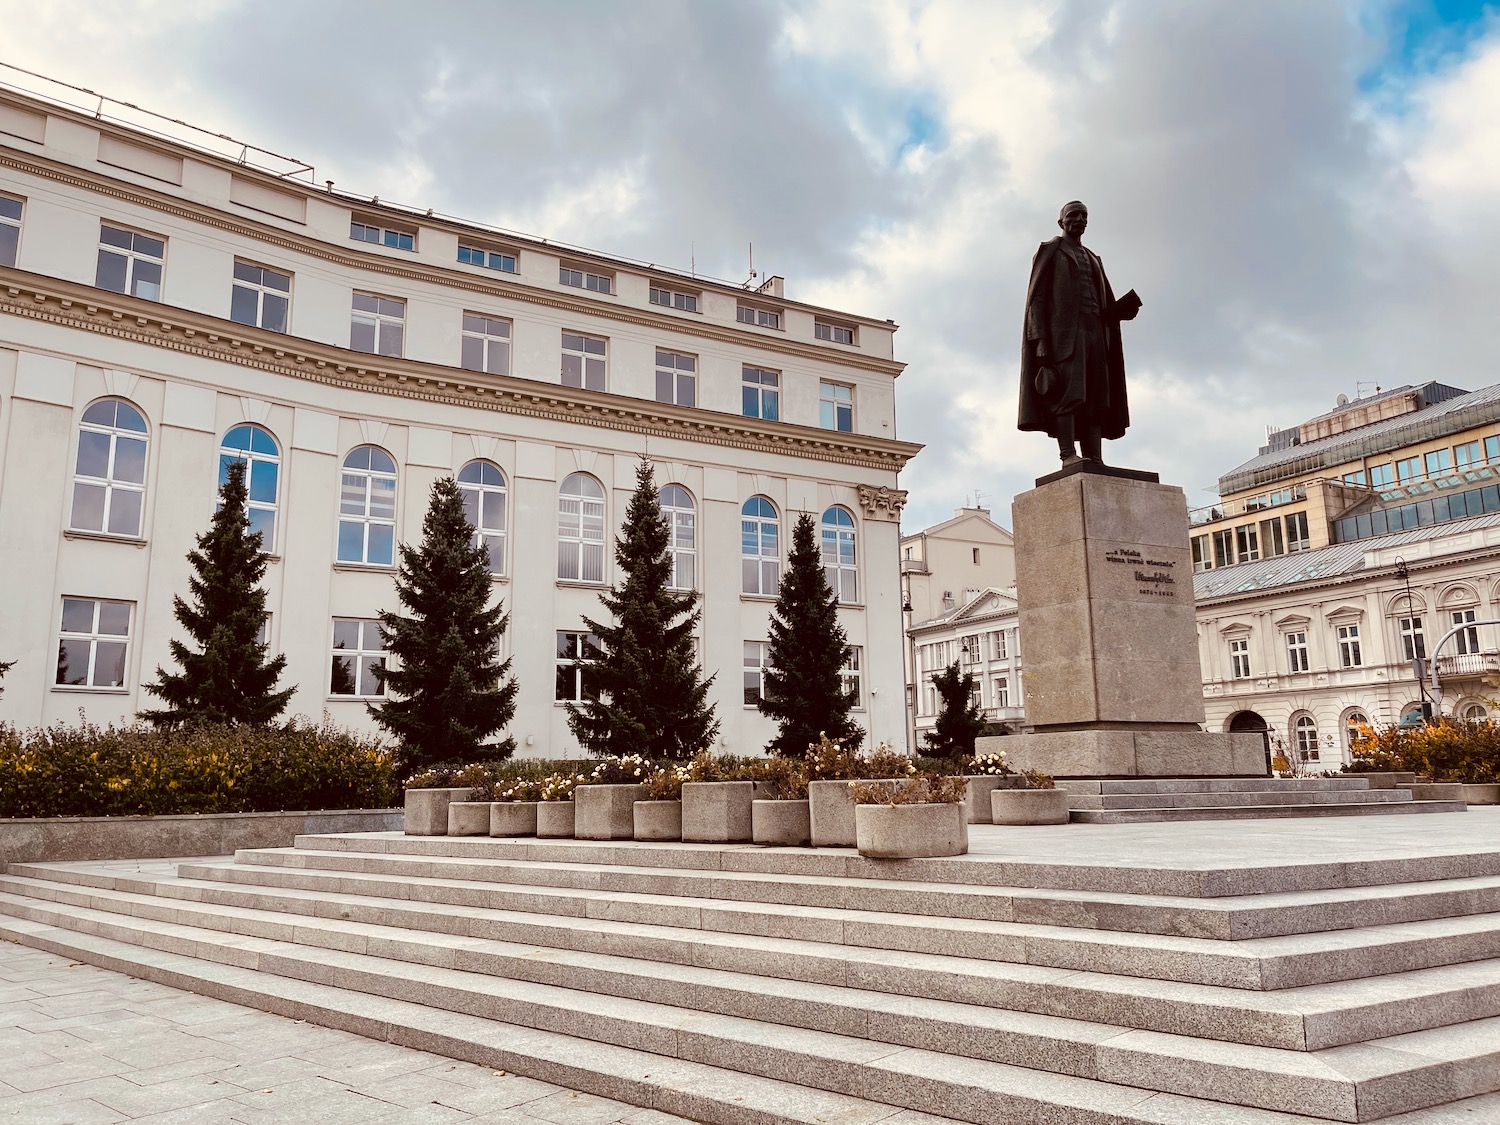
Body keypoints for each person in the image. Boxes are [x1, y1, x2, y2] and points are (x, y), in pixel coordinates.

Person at [1018, 201, 1141, 465]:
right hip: (1064, 338)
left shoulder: (1093, 258)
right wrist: (1039, 340)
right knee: (1069, 394)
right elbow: (1036, 300)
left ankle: (1094, 457)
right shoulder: (1051, 251)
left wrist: (1118, 311)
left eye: (1084, 216)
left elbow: (1102, 302)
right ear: (1061, 221)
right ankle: (1067, 455)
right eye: (1073, 215)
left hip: (1096, 335)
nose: (1080, 220)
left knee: (1096, 397)